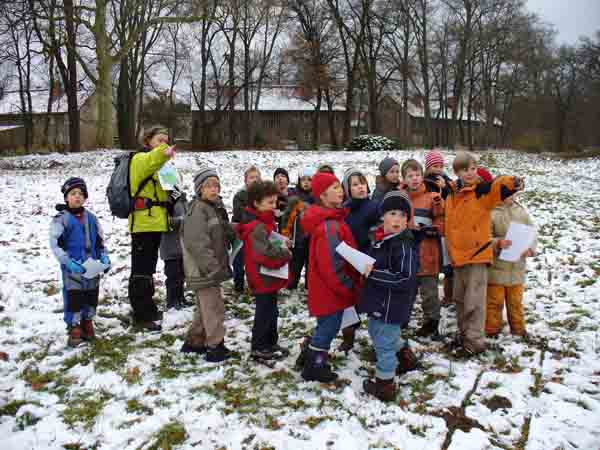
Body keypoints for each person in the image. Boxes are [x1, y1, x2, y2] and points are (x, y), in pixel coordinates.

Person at [444, 151, 524, 357]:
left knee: (475, 301)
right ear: (457, 172)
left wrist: (511, 182)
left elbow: (499, 187)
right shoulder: (451, 193)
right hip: (458, 256)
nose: (470, 173)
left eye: (473, 168)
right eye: (465, 169)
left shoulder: (482, 191)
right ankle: (464, 335)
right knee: (460, 299)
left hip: (478, 256)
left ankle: (475, 341)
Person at [298, 172, 362, 382]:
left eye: (339, 186)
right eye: (334, 188)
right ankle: (314, 366)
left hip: (329, 289)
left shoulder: (334, 220)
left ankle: (308, 354)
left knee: (326, 324)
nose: (340, 190)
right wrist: (347, 287)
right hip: (330, 290)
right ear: (323, 197)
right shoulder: (329, 227)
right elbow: (332, 266)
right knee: (329, 327)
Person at [359, 191, 418, 401]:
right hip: (379, 300)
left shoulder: (404, 244)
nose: (398, 219)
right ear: (382, 216)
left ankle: (385, 385)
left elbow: (405, 278)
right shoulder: (381, 240)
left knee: (383, 343)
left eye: (403, 215)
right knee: (378, 332)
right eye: (393, 213)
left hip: (391, 305)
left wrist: (373, 273)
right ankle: (405, 358)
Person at [180, 167, 236, 362]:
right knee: (214, 308)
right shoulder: (198, 211)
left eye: (216, 185)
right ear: (199, 189)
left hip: (209, 269)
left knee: (205, 307)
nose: (214, 189)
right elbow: (198, 244)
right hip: (204, 270)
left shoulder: (212, 208)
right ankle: (215, 346)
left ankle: (194, 342)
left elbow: (220, 230)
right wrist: (213, 269)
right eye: (209, 186)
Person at [50, 177, 110, 347]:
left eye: (81, 194)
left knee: (91, 294)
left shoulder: (91, 218)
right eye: (73, 193)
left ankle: (87, 320)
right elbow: (55, 244)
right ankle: (74, 325)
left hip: (91, 265)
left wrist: (104, 257)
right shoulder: (61, 219)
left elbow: (99, 241)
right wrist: (67, 261)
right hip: (73, 266)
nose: (77, 197)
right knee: (74, 295)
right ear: (66, 197)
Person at [238, 180, 293, 362]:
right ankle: (259, 346)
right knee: (264, 312)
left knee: (272, 310)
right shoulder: (256, 227)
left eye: (274, 202)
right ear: (256, 203)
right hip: (261, 277)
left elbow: (271, 242)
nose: (274, 206)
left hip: (268, 277)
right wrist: (284, 254)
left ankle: (270, 342)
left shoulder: (265, 222)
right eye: (269, 202)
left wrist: (281, 242)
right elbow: (265, 254)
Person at [128, 126, 176, 331]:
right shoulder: (140, 159)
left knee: (148, 269)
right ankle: (141, 314)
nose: (164, 143)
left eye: (166, 140)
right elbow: (150, 161)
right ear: (147, 141)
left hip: (155, 222)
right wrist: (162, 154)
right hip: (143, 223)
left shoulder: (161, 164)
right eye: (159, 140)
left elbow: (171, 189)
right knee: (141, 269)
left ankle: (147, 306)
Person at [337, 167, 379, 352]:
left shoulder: (375, 206)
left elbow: (381, 229)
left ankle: (379, 336)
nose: (360, 187)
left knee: (371, 299)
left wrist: (374, 235)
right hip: (348, 259)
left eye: (362, 183)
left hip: (369, 259)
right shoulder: (344, 210)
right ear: (347, 189)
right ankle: (348, 335)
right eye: (355, 185)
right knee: (347, 299)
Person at [402, 159, 444, 338]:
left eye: (417, 175)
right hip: (406, 253)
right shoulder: (400, 197)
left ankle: (432, 321)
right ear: (404, 178)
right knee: (406, 290)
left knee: (429, 292)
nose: (415, 179)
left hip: (428, 251)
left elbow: (442, 219)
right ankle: (401, 317)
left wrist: (434, 229)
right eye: (410, 176)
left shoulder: (432, 197)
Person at [486, 193, 536, 337]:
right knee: (494, 302)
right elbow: (484, 237)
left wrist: (530, 248)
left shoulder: (521, 211)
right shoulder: (491, 212)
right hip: (497, 268)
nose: (511, 196)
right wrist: (497, 243)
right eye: (507, 193)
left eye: (513, 193)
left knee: (516, 303)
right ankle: (491, 329)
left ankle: (518, 329)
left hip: (517, 267)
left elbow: (532, 233)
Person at [281, 167, 314, 290]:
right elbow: (286, 218)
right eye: (303, 180)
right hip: (297, 239)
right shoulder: (294, 199)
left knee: (310, 265)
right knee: (295, 265)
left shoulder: (316, 198)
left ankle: (309, 286)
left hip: (311, 239)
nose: (306, 182)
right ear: (299, 181)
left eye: (309, 180)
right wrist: (286, 233)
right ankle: (292, 284)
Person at [231, 166, 262, 293]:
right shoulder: (239, 196)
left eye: (256, 177)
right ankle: (238, 284)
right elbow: (240, 214)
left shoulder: (263, 195)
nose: (254, 180)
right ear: (246, 181)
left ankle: (254, 283)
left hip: (256, 233)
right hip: (241, 233)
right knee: (239, 260)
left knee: (255, 260)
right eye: (251, 177)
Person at [159, 186, 189, 310]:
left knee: (181, 274)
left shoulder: (181, 197)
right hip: (169, 244)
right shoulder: (162, 198)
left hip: (182, 244)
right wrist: (182, 221)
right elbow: (163, 220)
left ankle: (180, 298)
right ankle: (172, 301)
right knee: (173, 276)